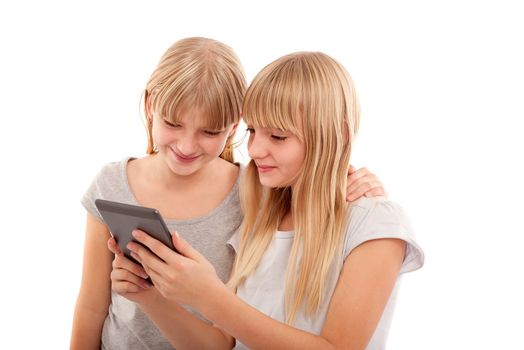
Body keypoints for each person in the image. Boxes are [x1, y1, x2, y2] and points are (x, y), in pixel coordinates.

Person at [70, 37, 385, 350]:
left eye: (210, 131)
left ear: (234, 126)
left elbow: (225, 338)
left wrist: (349, 175)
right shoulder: (112, 184)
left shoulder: (257, 191)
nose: (186, 146)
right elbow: (91, 306)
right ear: (151, 106)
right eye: (172, 123)